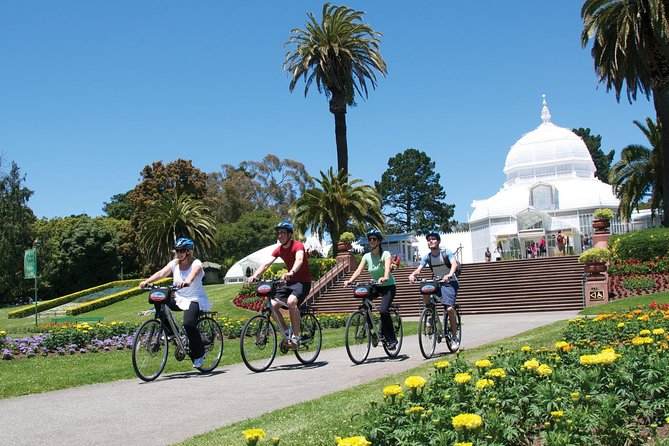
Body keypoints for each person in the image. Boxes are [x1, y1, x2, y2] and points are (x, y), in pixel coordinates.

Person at [139, 237, 210, 368]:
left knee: (188, 324)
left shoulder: (196, 263)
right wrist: (147, 281)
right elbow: (161, 273)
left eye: (181, 251)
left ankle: (199, 354)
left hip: (195, 299)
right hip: (178, 297)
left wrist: (188, 281)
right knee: (159, 300)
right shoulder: (174, 263)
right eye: (176, 250)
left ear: (188, 252)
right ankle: (171, 333)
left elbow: (194, 273)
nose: (178, 253)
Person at [248, 221, 312, 347]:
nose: (279, 235)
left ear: (289, 235)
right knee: (271, 305)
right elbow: (267, 264)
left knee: (291, 302)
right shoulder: (279, 250)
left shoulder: (298, 245)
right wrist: (255, 276)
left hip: (302, 282)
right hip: (289, 283)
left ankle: (296, 336)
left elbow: (299, 259)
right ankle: (287, 331)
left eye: (282, 233)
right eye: (278, 233)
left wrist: (291, 272)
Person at [343, 229, 398, 350]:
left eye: (374, 239)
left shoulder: (385, 254)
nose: (371, 241)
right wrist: (350, 280)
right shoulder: (366, 256)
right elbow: (358, 270)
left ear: (379, 241)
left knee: (383, 311)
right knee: (365, 301)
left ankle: (391, 339)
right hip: (376, 285)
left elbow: (387, 267)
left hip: (388, 286)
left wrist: (385, 276)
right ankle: (371, 329)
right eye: (370, 239)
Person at [408, 231, 461, 349]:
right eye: (429, 240)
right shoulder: (428, 256)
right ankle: (430, 312)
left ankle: (454, 337)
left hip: (449, 283)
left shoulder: (446, 252)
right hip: (437, 282)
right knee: (425, 287)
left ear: (438, 241)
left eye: (433, 239)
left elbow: (453, 264)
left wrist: (450, 275)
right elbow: (419, 269)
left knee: (449, 308)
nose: (430, 241)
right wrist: (413, 275)